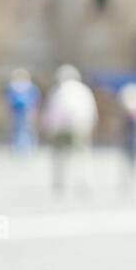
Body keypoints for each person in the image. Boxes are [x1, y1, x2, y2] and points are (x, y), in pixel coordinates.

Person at [42, 64, 98, 197]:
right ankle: (84, 182)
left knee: (60, 158)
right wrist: (89, 126)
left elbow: (52, 111)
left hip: (61, 130)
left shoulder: (58, 91)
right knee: (82, 157)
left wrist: (49, 128)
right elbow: (90, 110)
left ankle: (60, 184)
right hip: (79, 128)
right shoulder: (83, 90)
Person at [5, 68, 41, 153]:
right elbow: (35, 99)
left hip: (18, 111)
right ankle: (27, 146)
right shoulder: (30, 87)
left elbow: (9, 100)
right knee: (26, 129)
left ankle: (20, 146)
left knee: (20, 129)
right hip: (25, 111)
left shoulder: (13, 87)